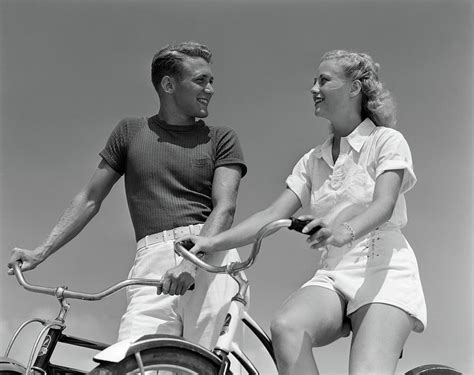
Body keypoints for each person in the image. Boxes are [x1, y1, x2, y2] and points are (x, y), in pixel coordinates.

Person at [178, 49, 426, 374]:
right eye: (313, 80)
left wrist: (341, 231)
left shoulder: (385, 141)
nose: (313, 88)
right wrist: (210, 242)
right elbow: (271, 214)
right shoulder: (312, 160)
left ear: (355, 88)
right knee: (286, 327)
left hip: (383, 270)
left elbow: (384, 204)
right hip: (334, 272)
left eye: (323, 80)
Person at [8, 41, 247, 350]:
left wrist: (192, 263)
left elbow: (225, 209)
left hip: (209, 255)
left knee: (211, 364)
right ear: (168, 84)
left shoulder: (221, 138)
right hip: (151, 263)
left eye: (211, 80)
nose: (211, 88)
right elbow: (90, 199)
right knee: (129, 359)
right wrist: (40, 252)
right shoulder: (130, 132)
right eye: (201, 80)